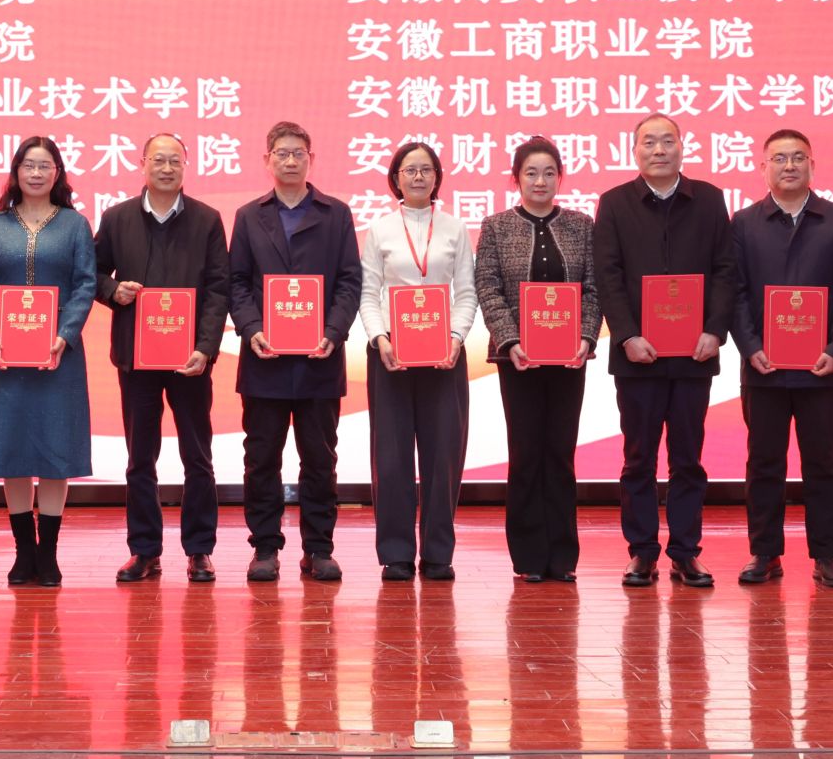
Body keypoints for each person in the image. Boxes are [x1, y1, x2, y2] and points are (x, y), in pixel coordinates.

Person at [591, 113, 736, 588]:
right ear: (634, 151)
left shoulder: (710, 199)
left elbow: (725, 269)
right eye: (649, 142)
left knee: (688, 458)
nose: (659, 150)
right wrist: (627, 335)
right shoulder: (615, 203)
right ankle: (642, 552)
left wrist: (715, 330)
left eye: (667, 141)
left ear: (681, 147)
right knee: (638, 458)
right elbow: (607, 275)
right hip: (637, 355)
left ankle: (685, 552)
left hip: (695, 354)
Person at [728, 129, 833, 590]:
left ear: (812, 165)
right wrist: (751, 347)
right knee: (764, 463)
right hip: (764, 368)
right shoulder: (744, 223)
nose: (789, 165)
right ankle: (764, 552)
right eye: (779, 158)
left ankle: (827, 556)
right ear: (763, 167)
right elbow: (735, 291)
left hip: (821, 369)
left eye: (798, 157)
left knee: (823, 464)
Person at [227, 122, 364, 583]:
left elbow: (350, 281)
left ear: (311, 159)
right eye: (282, 153)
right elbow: (237, 282)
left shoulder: (336, 214)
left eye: (298, 153)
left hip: (319, 359)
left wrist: (333, 331)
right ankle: (265, 548)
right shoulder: (249, 216)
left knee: (320, 460)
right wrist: (252, 328)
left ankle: (318, 549)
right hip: (264, 360)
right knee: (261, 458)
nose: (290, 160)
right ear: (267, 160)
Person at [93, 133, 229, 584]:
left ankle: (199, 550)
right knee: (140, 458)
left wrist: (205, 348)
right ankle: (144, 550)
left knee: (198, 456)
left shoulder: (207, 220)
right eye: (159, 160)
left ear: (186, 166)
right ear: (143, 164)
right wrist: (113, 290)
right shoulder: (117, 218)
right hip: (136, 358)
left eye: (175, 161)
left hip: (190, 359)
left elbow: (219, 289)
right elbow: (91, 271)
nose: (167, 168)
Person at [0, 137, 98, 588]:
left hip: (58, 357)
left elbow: (85, 285)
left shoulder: (75, 225)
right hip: (5, 356)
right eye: (29, 165)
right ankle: (24, 551)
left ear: (57, 173)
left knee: (55, 451)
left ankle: (49, 553)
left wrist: (65, 335)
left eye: (45, 166)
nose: (37, 173)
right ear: (16, 172)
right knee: (13, 451)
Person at [472, 137, 600, 583]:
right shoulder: (496, 227)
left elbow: (594, 288)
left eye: (548, 173)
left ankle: (562, 557)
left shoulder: (582, 226)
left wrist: (586, 336)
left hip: (569, 360)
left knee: (560, 453)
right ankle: (528, 557)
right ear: (516, 179)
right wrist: (510, 340)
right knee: (526, 453)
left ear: (560, 177)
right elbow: (488, 288)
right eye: (531, 173)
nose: (540, 181)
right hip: (518, 360)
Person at [359, 140, 476, 582]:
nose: (419, 177)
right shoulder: (380, 229)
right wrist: (380, 338)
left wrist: (456, 338)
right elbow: (369, 293)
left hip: (445, 356)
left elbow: (466, 292)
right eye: (410, 170)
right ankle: (396, 554)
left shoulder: (455, 228)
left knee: (443, 456)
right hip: (391, 355)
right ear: (395, 178)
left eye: (426, 169)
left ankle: (438, 553)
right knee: (390, 458)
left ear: (437, 177)